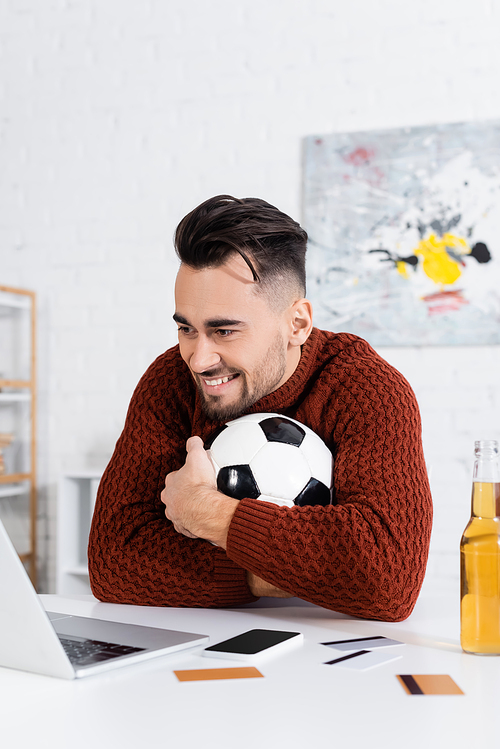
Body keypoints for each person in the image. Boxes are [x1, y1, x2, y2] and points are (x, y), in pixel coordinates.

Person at [88, 195, 433, 622]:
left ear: (298, 324)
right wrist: (285, 573)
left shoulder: (367, 388)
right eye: (186, 329)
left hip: (330, 644)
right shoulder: (170, 380)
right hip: (208, 639)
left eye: (225, 330)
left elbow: (387, 579)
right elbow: (113, 561)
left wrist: (206, 513)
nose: (198, 359)